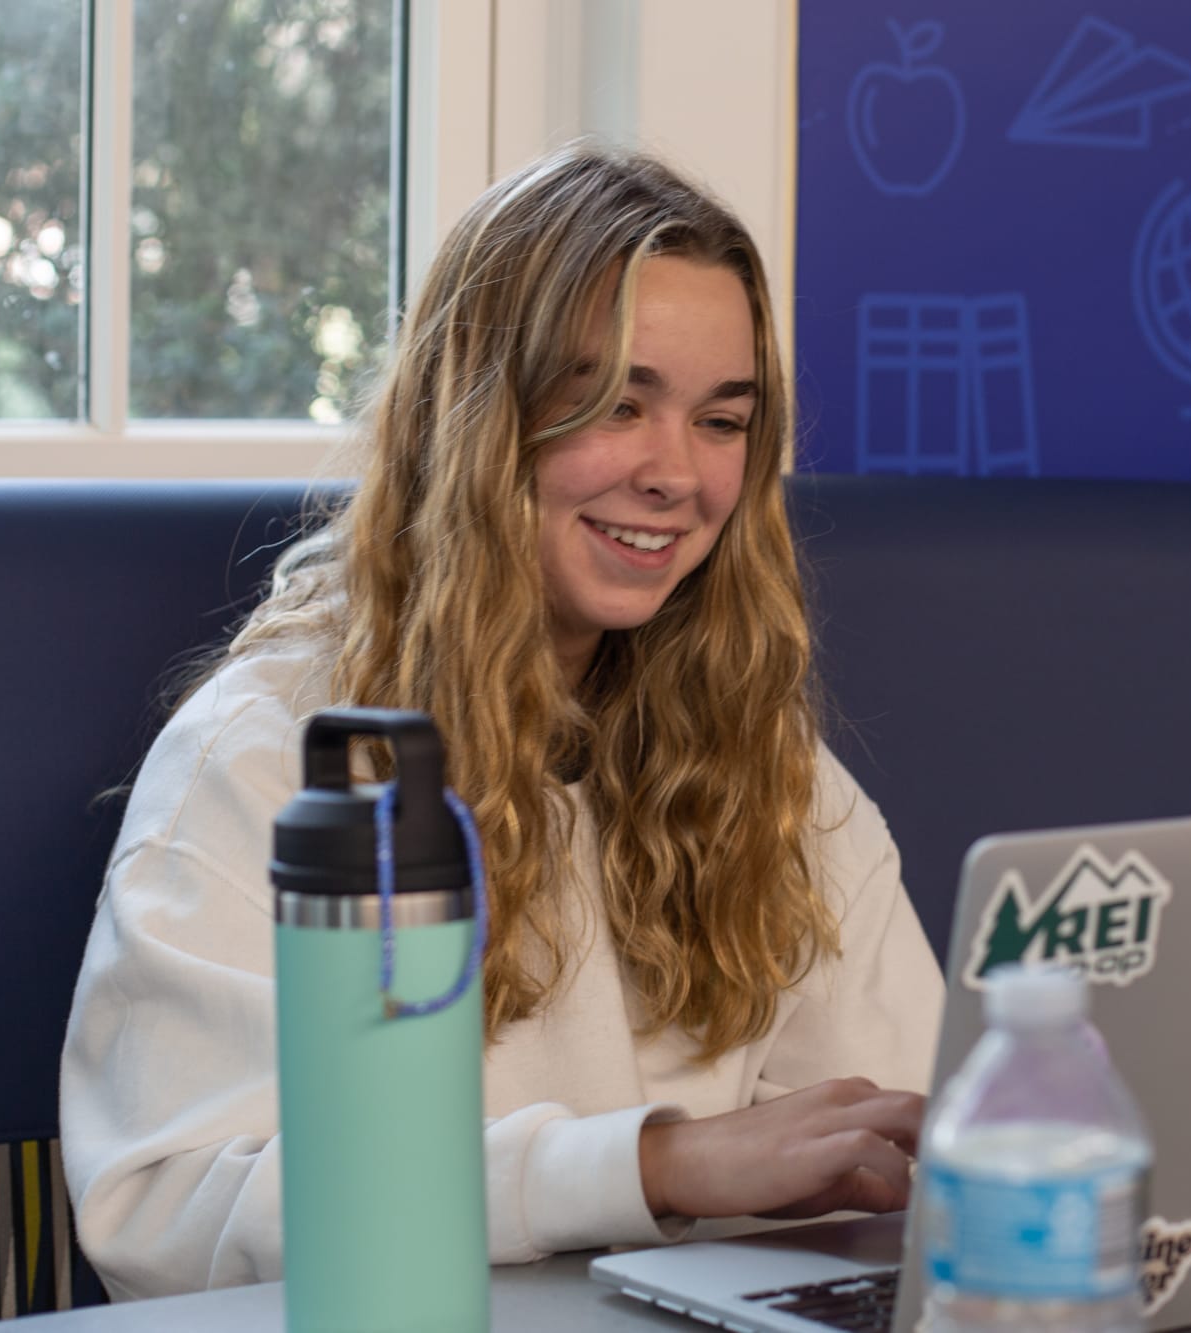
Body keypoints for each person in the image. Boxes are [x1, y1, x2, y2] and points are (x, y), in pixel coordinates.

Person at [59, 145, 945, 1301]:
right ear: (477, 418)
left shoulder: (757, 751)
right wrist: (654, 1166)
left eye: (721, 421)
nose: (677, 474)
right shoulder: (274, 755)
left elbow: (906, 1123)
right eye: (617, 403)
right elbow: (166, 1211)